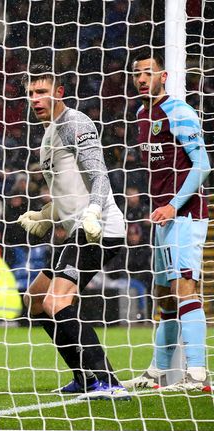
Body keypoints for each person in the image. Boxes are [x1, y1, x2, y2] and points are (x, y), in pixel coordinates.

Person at [19, 64, 130, 399]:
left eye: (41, 91)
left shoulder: (75, 123)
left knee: (57, 300)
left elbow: (99, 177)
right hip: (76, 229)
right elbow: (69, 192)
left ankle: (108, 381)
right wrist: (45, 214)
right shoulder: (48, 134)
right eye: (31, 93)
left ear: (59, 93)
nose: (35, 99)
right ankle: (83, 377)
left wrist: (95, 212)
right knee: (36, 300)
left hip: (100, 229)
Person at [123, 50, 211, 391]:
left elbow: (202, 165)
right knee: (163, 293)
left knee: (184, 287)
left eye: (148, 73)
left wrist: (174, 205)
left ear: (164, 76)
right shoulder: (143, 113)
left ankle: (198, 374)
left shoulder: (179, 110)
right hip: (163, 217)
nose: (142, 79)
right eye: (137, 74)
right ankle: (159, 371)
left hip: (185, 215)